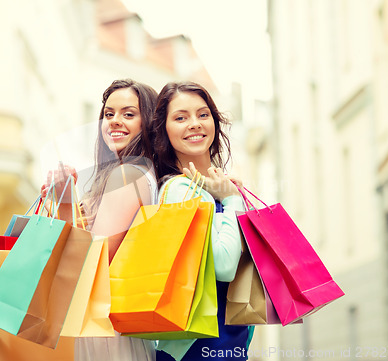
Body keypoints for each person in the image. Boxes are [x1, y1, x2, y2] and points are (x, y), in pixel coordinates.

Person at [41, 78, 158, 361]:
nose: (115, 121)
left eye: (129, 114)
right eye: (109, 114)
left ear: (149, 123)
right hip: (106, 326)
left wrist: (66, 202)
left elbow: (93, 261)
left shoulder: (128, 174)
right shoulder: (130, 173)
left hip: (105, 329)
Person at [150, 81, 254, 361]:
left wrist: (231, 196)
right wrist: (232, 202)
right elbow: (223, 266)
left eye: (203, 114)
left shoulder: (223, 187)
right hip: (196, 348)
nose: (194, 124)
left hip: (228, 343)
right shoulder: (181, 191)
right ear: (164, 130)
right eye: (181, 117)